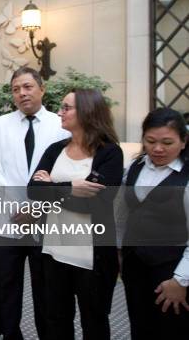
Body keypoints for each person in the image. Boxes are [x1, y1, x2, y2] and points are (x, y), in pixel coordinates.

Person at [27, 89, 123, 339]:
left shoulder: (110, 152)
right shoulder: (54, 149)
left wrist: (51, 187)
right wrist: (71, 187)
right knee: (56, 319)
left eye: (66, 108)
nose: (60, 112)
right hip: (53, 252)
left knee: (94, 321)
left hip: (92, 256)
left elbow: (97, 204)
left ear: (88, 111)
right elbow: (33, 191)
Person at [0, 66, 69, 340]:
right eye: (16, 89)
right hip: (8, 221)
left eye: (28, 87)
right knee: (7, 286)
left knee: (46, 289)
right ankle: (11, 335)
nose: (22, 93)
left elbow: (64, 172)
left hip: (46, 222)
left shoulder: (60, 125)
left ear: (42, 89)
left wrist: (37, 210)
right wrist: (15, 209)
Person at [120, 108, 189, 339]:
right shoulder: (135, 166)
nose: (158, 149)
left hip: (171, 270)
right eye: (150, 141)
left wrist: (180, 280)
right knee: (140, 327)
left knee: (171, 330)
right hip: (135, 265)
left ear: (183, 141)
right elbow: (123, 213)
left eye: (167, 142)